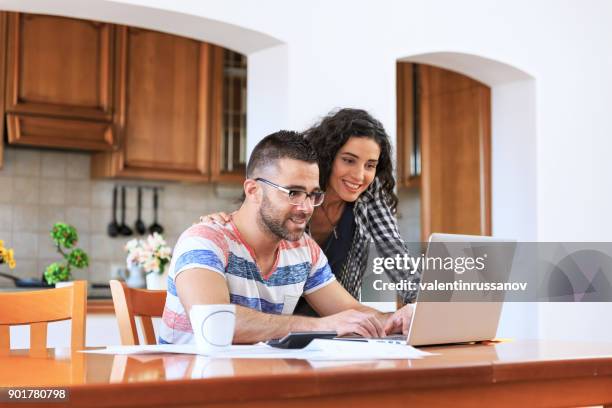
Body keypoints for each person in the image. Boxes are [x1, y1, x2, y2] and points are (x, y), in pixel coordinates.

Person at [160, 130, 413, 345]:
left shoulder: (303, 250)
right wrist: (322, 326)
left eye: (313, 194)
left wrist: (398, 319)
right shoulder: (204, 241)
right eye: (293, 192)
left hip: (261, 387)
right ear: (253, 190)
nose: (306, 208)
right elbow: (212, 322)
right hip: (192, 389)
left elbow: (352, 312)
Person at [201, 109, 419, 321]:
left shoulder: (369, 198)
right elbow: (258, 215)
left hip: (337, 322)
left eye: (370, 165)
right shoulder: (293, 200)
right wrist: (218, 229)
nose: (359, 175)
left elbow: (398, 259)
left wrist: (419, 311)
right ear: (329, 157)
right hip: (278, 324)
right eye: (349, 160)